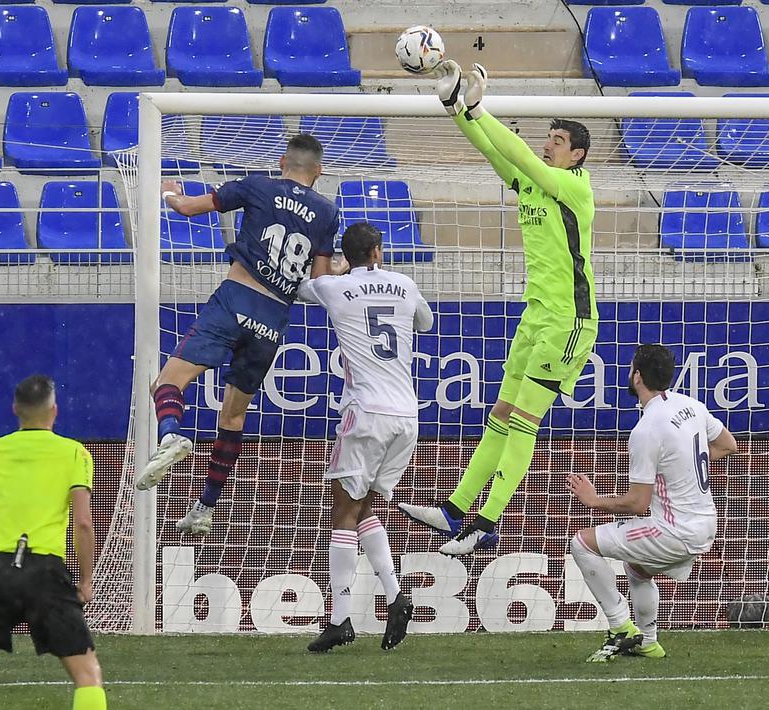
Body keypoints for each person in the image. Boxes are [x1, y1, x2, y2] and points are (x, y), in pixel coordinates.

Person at [399, 61, 598, 555]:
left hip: (569, 321)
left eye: (557, 141)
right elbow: (493, 150)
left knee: (524, 421)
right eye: (547, 138)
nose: (548, 145)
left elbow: (519, 153)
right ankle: (455, 510)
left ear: (576, 154)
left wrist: (479, 108)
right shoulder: (532, 182)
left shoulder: (575, 187)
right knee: (500, 415)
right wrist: (456, 108)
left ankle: (487, 523)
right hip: (535, 315)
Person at [136, 134, 344, 537]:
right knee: (233, 415)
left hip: (236, 299)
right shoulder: (327, 212)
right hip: (273, 319)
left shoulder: (257, 185)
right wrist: (339, 268)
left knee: (166, 382)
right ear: (318, 171)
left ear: (282, 161)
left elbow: (189, 208)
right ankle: (205, 507)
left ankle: (171, 435)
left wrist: (169, 193)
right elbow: (320, 282)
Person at [297, 223, 432, 653]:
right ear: (377, 251)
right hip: (406, 417)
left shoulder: (334, 288)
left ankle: (339, 619)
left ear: (347, 255)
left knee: (342, 510)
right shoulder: (404, 284)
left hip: (366, 413)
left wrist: (335, 270)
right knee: (363, 508)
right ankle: (395, 596)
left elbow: (302, 288)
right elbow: (426, 322)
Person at [568, 345, 738, 663]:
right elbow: (728, 445)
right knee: (637, 569)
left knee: (581, 543)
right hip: (706, 524)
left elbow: (637, 503)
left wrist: (593, 500)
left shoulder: (646, 429)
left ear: (637, 376)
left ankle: (620, 626)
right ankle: (647, 642)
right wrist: (680, 467)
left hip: (674, 531)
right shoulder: (691, 405)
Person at [0, 375, 105, 710]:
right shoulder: (74, 453)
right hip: (45, 571)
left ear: (15, 409)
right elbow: (83, 523)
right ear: (54, 410)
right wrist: (86, 580)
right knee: (87, 676)